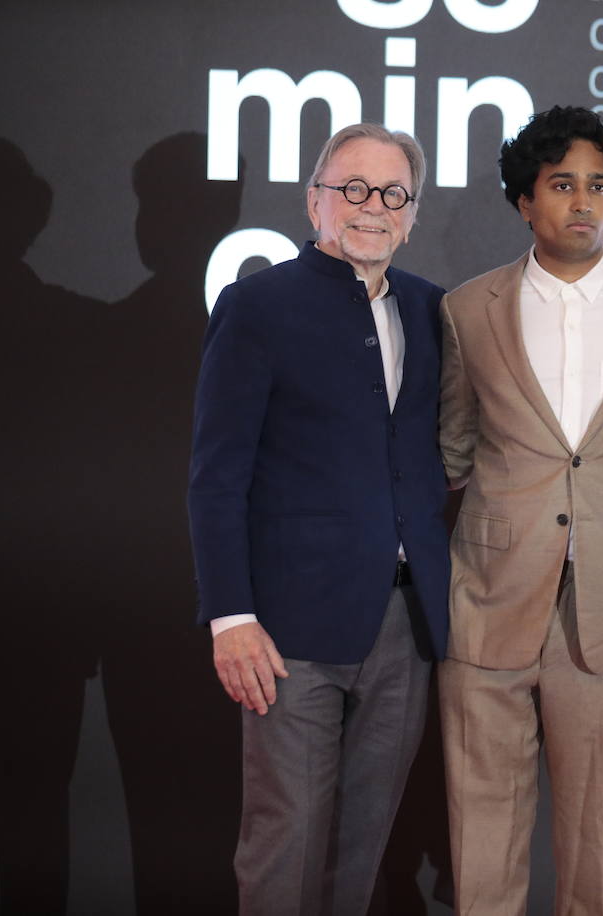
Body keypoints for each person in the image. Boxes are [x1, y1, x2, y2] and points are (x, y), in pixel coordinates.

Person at [437, 105, 603, 915]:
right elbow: (452, 448)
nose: (584, 201)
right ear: (525, 201)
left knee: (596, 846)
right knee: (483, 836)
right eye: (562, 185)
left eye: (600, 186)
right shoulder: (466, 309)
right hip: (489, 596)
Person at [187, 123, 450, 916]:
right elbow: (216, 473)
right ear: (316, 200)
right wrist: (230, 617)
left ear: (412, 214)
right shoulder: (257, 306)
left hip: (406, 625)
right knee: (286, 840)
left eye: (393, 194)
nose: (373, 208)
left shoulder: (435, 311)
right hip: (287, 632)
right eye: (354, 189)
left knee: (361, 847)